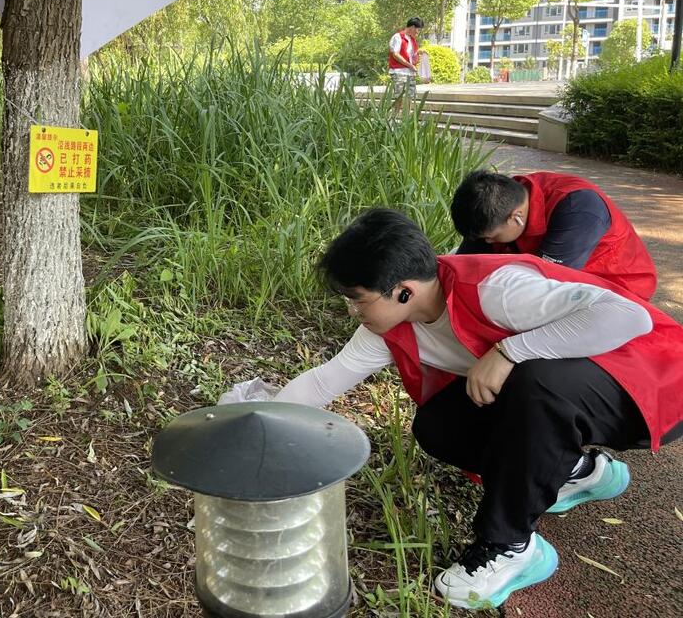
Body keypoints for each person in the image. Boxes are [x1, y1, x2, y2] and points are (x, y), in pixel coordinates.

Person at [277, 209, 682, 609]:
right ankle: (579, 472)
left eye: (358, 300)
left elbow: (627, 317)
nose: (353, 311)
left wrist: (510, 351)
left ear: (403, 291)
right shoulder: (386, 328)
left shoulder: (497, 289)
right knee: (439, 424)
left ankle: (510, 546)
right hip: (566, 394)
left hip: (651, 383)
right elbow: (325, 380)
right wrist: (257, 417)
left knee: (533, 379)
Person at [451, 169, 656, 300]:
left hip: (619, 288)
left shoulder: (578, 209)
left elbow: (542, 287)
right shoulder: (496, 204)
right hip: (566, 278)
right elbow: (464, 264)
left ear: (516, 217)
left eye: (491, 237)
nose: (488, 242)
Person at [388, 17, 423, 105]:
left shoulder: (412, 40)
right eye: (418, 30)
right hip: (399, 72)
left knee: (410, 98)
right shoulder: (398, 37)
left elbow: (412, 57)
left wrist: (418, 53)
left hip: (410, 73)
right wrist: (409, 65)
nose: (418, 32)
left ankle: (407, 118)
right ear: (412, 27)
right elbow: (395, 54)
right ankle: (395, 118)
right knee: (399, 97)